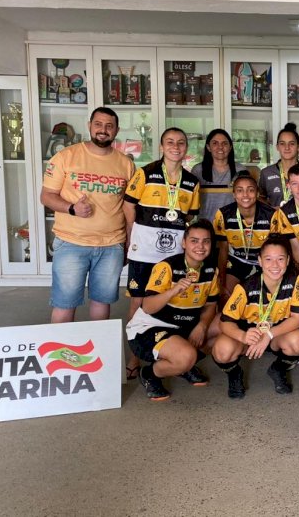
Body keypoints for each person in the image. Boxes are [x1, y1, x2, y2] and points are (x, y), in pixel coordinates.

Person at [40, 107, 135, 324]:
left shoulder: (126, 164)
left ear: (116, 130)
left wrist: (129, 242)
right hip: (72, 243)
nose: (103, 130)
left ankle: (98, 354)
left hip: (111, 245)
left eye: (109, 126)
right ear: (90, 126)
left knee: (102, 304)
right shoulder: (66, 156)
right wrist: (72, 208)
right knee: (64, 304)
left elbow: (129, 207)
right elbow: (46, 196)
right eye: (99, 124)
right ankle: (60, 354)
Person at [123, 127, 200, 377]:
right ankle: (134, 358)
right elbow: (128, 206)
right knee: (138, 301)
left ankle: (175, 352)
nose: (175, 146)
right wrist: (132, 236)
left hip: (174, 253)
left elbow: (190, 216)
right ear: (161, 146)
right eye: (170, 142)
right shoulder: (145, 173)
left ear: (186, 148)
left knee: (176, 298)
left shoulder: (191, 182)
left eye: (180, 142)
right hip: (144, 251)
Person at [126, 219, 220, 401]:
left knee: (226, 325)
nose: (200, 246)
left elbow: (210, 305)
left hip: (183, 326)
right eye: (194, 240)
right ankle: (150, 374)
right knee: (186, 356)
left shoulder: (210, 270)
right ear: (184, 243)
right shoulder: (166, 266)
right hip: (149, 328)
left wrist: (202, 326)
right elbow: (147, 307)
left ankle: (184, 365)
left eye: (205, 241)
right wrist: (173, 291)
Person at [212, 236, 299, 398]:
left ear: (288, 260)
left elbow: (297, 319)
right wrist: (243, 336)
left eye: (280, 259)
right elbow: (225, 323)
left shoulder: (296, 282)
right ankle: (234, 374)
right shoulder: (245, 287)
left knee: (298, 341)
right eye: (268, 259)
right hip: (250, 337)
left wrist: (269, 335)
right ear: (260, 261)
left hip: (276, 335)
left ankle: (278, 370)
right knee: (222, 350)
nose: (275, 265)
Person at [213, 171, 275, 303]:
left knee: (264, 298)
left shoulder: (271, 215)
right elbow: (223, 251)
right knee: (227, 297)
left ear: (257, 193)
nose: (245, 195)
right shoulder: (223, 214)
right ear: (234, 194)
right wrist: (222, 283)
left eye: (250, 190)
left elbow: (276, 250)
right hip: (238, 260)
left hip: (263, 261)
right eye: (240, 190)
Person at [190, 129, 246, 225]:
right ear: (208, 147)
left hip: (234, 227)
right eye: (215, 143)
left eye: (224, 143)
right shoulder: (198, 170)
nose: (220, 147)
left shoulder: (240, 170)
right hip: (205, 227)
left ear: (230, 147)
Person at [259, 123, 299, 208]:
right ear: (277, 147)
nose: (287, 147)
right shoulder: (266, 173)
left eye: (291, 143)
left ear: (298, 146)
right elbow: (261, 198)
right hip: (275, 220)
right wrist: (271, 210)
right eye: (282, 143)